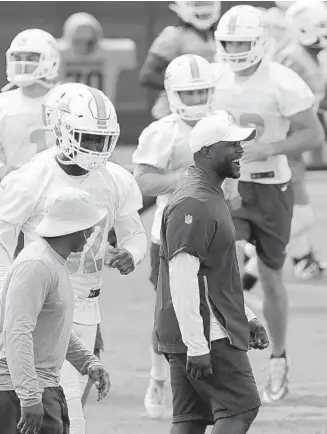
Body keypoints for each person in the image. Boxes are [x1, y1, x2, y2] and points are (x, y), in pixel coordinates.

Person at [0, 83, 147, 434]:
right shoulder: (31, 177)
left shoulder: (114, 179)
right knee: (67, 401)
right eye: (86, 137)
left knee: (65, 398)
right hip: (44, 298)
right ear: (61, 129)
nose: (94, 148)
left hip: (87, 305)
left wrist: (131, 254)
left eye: (100, 139)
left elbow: (136, 234)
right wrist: (15, 297)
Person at [211, 5, 325, 402]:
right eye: (230, 42)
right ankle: (230, 355)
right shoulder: (213, 78)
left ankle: (278, 358)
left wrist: (270, 147)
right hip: (230, 188)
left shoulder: (282, 80)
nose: (236, 49)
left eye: (243, 42)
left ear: (259, 41)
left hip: (273, 187)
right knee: (226, 260)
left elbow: (313, 135)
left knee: (273, 278)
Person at [154, 110, 269, 434]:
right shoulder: (195, 203)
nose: (240, 151)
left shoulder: (206, 195)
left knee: (190, 422)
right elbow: (183, 277)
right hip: (204, 333)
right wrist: (197, 345)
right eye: (231, 145)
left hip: (193, 329)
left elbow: (215, 273)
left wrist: (245, 316)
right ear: (206, 151)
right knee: (241, 409)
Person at [133, 53, 216, 418]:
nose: (197, 101)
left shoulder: (222, 123)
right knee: (167, 313)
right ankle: (157, 378)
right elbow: (143, 180)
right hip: (168, 234)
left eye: (202, 93)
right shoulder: (161, 131)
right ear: (172, 92)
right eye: (189, 94)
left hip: (213, 232)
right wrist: (181, 179)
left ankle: (212, 384)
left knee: (216, 309)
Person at [0, 187, 110, 434]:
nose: (91, 232)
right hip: (18, 393)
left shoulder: (53, 262)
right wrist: (30, 396)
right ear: (72, 227)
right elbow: (17, 331)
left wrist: (86, 361)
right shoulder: (36, 265)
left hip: (36, 389)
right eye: (88, 226)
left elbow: (53, 327)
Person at [242, 0, 327, 289]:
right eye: (321, 25)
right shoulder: (294, 59)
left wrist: (323, 116)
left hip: (288, 145)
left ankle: (256, 259)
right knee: (300, 218)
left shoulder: (306, 58)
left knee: (290, 216)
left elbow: (298, 104)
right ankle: (247, 271)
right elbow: (278, 104)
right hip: (280, 147)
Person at [0, 29, 60, 182]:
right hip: (18, 192)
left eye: (30, 58)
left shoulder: (71, 100)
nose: (22, 64)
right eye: (18, 57)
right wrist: (0, 169)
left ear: (51, 60)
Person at [139, 1, 220, 121]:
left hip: (205, 108)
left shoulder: (215, 35)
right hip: (171, 113)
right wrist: (185, 88)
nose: (203, 9)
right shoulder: (173, 35)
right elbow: (147, 75)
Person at [58, 12, 136, 105]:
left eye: (89, 42)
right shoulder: (56, 53)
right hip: (66, 112)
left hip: (101, 113)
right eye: (78, 42)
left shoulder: (109, 53)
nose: (83, 47)